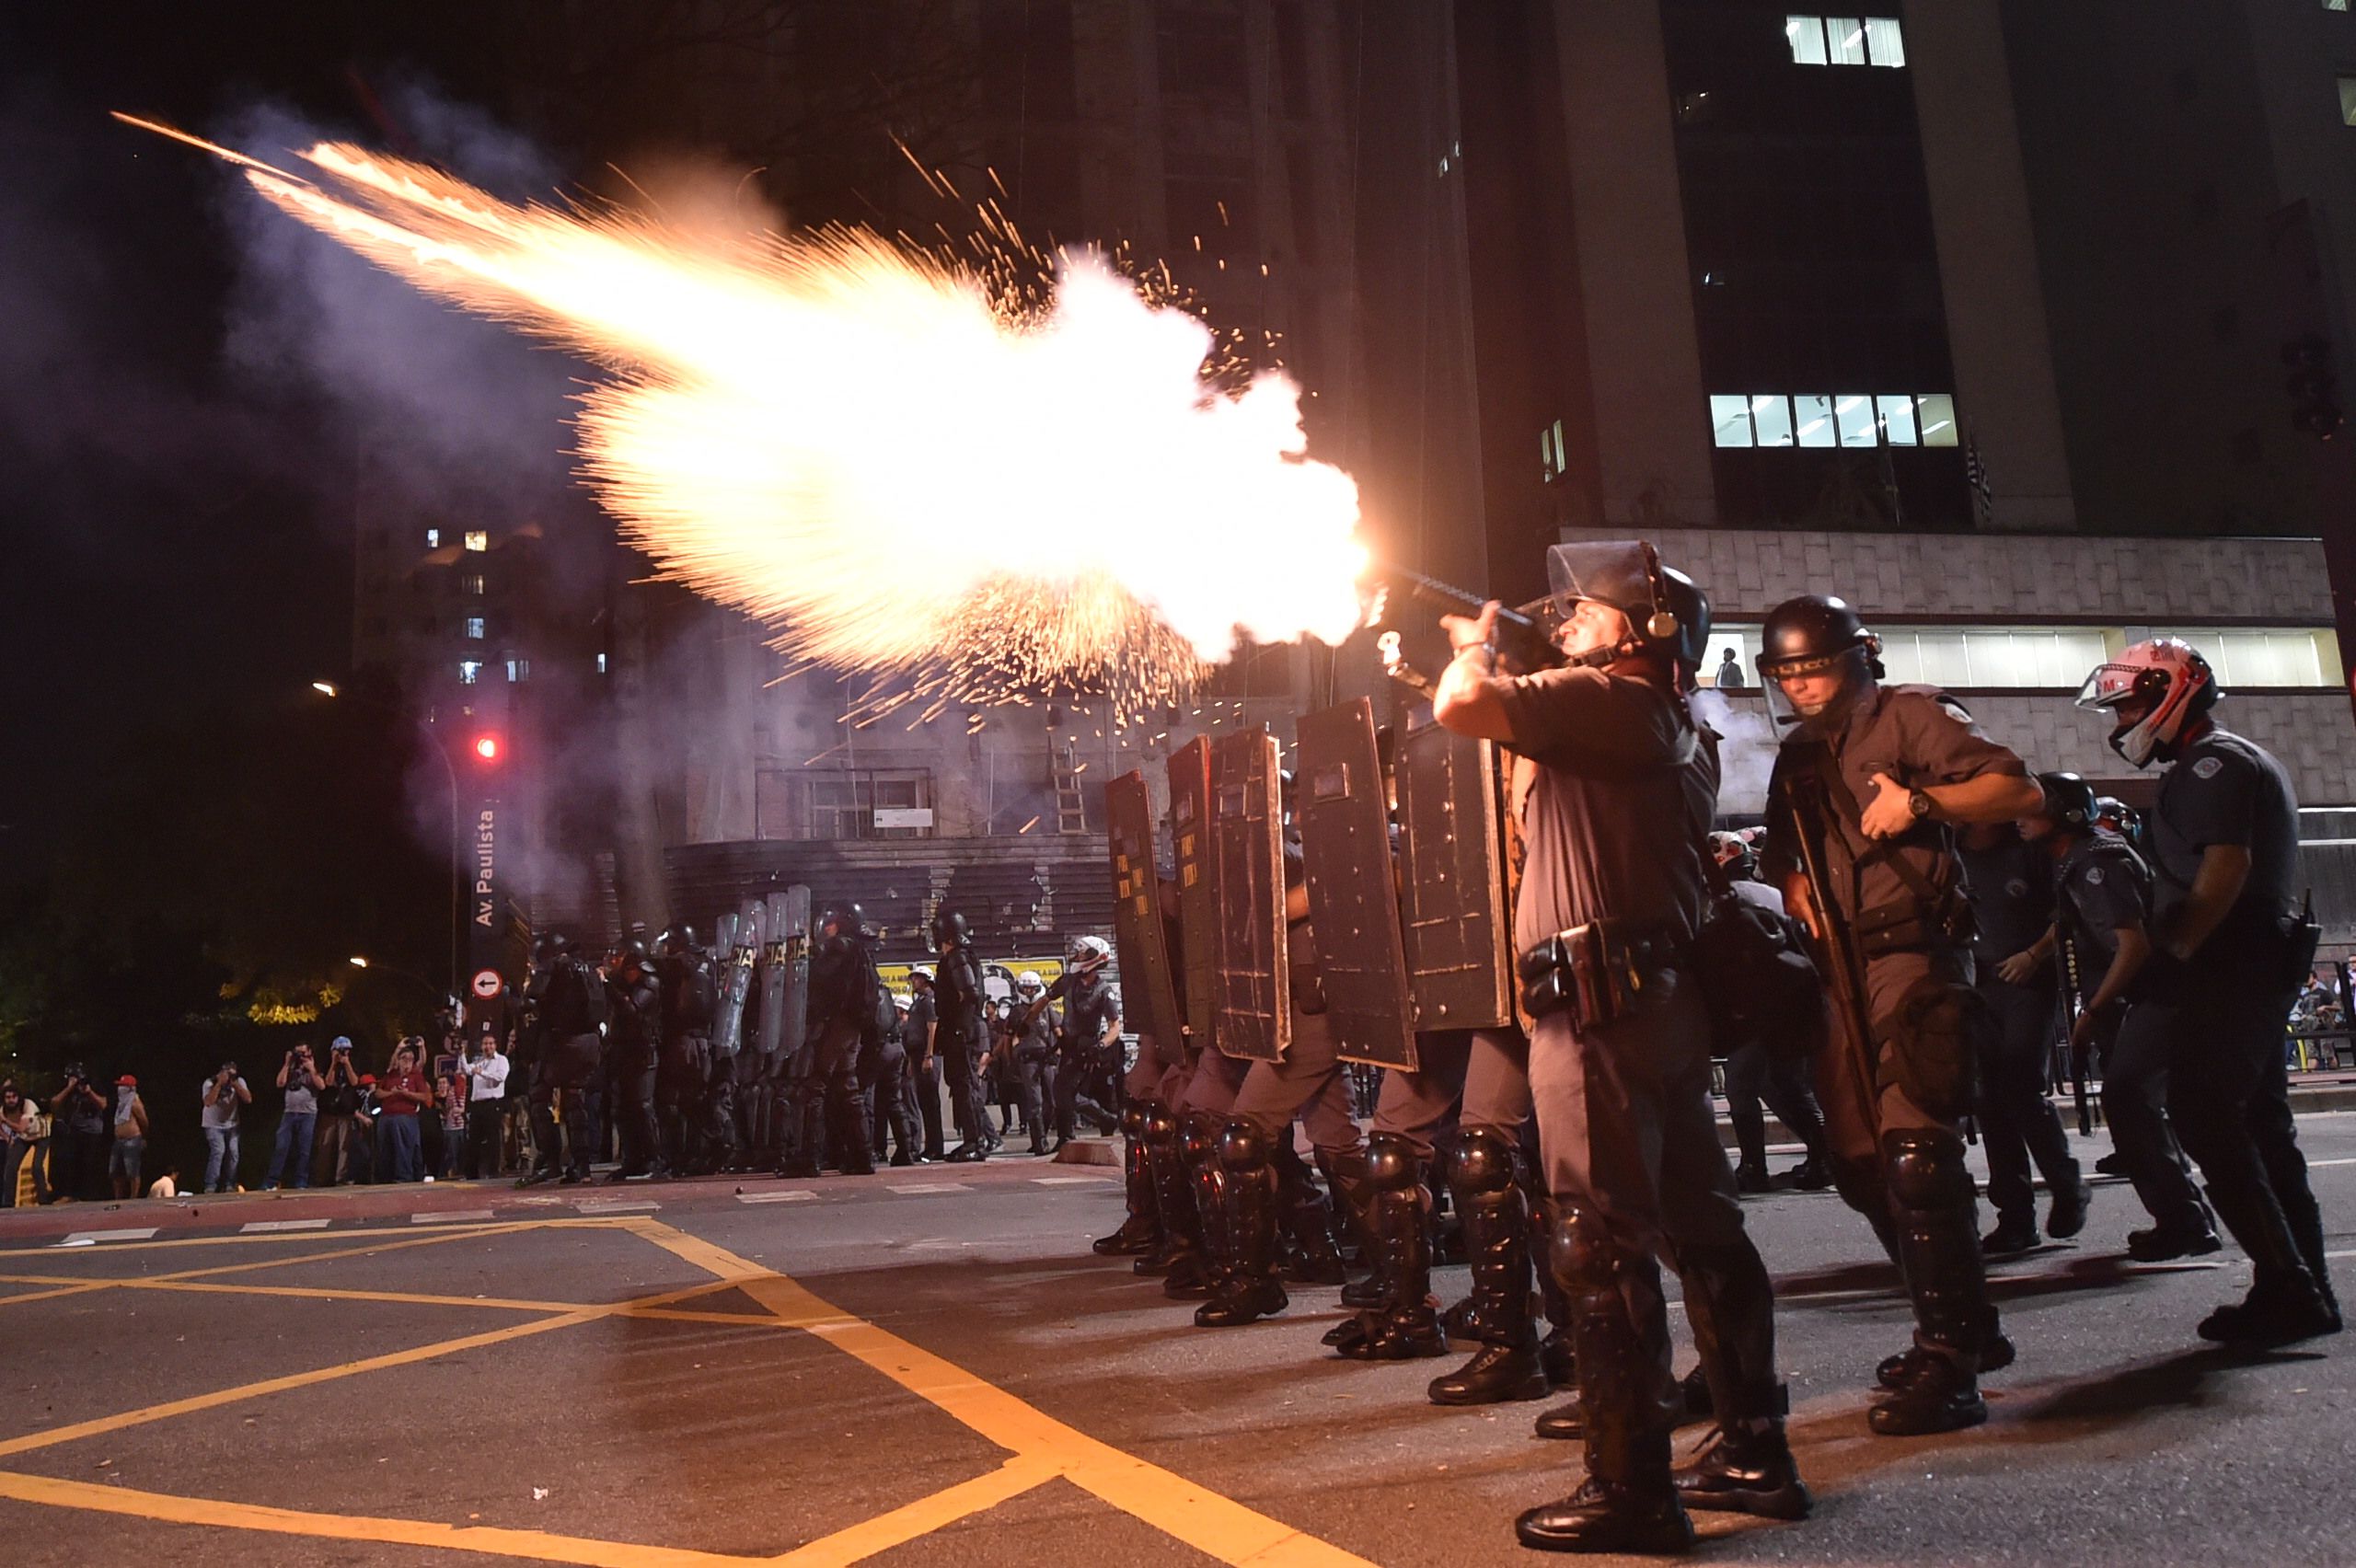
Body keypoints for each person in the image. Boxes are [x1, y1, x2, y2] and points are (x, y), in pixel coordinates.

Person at [1438, 541, 1803, 1553]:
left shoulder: (1611, 701)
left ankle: (1632, 1486)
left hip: (1596, 1009)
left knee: (1598, 1245)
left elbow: (1459, 706)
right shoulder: (1663, 720)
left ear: (1644, 631)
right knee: (1701, 1229)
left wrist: (1477, 647)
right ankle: (1752, 1448)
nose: (1568, 623)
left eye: (1586, 613)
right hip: (1657, 1003)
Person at [1760, 594, 2047, 1438]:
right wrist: (1791, 884)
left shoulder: (1910, 715)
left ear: (1857, 657)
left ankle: (1951, 1351)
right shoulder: (1798, 755)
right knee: (1857, 1162)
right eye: (1788, 673)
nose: (1803, 685)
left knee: (1918, 1152)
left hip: (1914, 953)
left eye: (1816, 667)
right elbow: (1784, 850)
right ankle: (1959, 1317)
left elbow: (2014, 788)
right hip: (1838, 967)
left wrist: (1922, 807)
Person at [2076, 639, 2339, 1341]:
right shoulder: (2222, 760)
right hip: (2251, 964)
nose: (2124, 717)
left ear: (2171, 689)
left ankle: (2291, 1286)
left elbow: (2227, 864)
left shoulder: (2212, 763)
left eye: (2130, 700)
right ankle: (2301, 1286)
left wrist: (2180, 948)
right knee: (2260, 1129)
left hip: (2232, 967)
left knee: (2204, 1114)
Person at [2021, 770, 2214, 1259]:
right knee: (2137, 1106)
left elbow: (2132, 946)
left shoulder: (2097, 862)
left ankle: (2186, 1220)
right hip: (2130, 1000)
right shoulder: (2075, 860)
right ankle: (2184, 1217)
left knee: (2131, 1100)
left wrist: (2095, 1010)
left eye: (2032, 808)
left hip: (2146, 996)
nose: (2021, 818)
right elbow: (2071, 923)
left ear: (2063, 813)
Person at [1956, 814, 2087, 1256]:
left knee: (2022, 1086)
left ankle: (2066, 1186)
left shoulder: (2028, 848)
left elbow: (2068, 908)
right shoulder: (1948, 850)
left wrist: (2034, 955)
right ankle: (2015, 1217)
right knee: (1989, 1100)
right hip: (1976, 983)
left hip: (2027, 979)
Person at [1707, 833, 1835, 1194]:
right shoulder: (1769, 894)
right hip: (1789, 1003)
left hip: (1761, 1007)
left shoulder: (1736, 898)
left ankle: (1755, 1167)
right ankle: (1824, 1155)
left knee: (1742, 1085)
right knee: (1782, 1085)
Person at [795, 905, 880, 1177]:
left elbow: (819, 980)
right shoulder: (860, 949)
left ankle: (808, 1158)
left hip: (838, 1023)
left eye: (831, 923)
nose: (826, 928)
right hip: (853, 1026)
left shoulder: (840, 947)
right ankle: (862, 1156)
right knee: (848, 1087)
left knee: (815, 1085)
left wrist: (809, 957)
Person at [524, 933, 606, 1186]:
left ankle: (551, 1162)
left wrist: (513, 998)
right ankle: (582, 1165)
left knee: (539, 1097)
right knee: (574, 1101)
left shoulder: (554, 967)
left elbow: (532, 1000)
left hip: (564, 1043)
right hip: (590, 1043)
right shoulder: (587, 969)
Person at [931, 909, 997, 1164]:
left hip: (961, 1032)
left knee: (965, 1086)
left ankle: (975, 1141)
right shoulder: (960, 955)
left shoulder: (957, 956)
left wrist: (959, 1025)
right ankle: (973, 1139)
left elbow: (968, 991)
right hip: (958, 1031)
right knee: (960, 1085)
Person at [603, 941, 662, 1181]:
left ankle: (653, 1159)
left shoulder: (649, 983)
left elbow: (632, 1009)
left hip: (642, 1053)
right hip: (622, 1053)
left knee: (642, 1107)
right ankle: (632, 1159)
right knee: (622, 1110)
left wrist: (608, 987)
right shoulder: (621, 984)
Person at [264, 1043, 325, 1191]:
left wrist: (311, 1068)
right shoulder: (291, 1069)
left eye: (303, 1053)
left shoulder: (314, 1068)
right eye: (298, 1053)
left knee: (304, 1149)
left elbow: (321, 1086)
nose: (301, 1057)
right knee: (281, 1146)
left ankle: (301, 1181)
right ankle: (272, 1181)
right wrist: (287, 1064)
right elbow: (280, 1083)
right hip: (289, 1113)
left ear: (310, 1052)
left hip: (308, 1114)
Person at [372, 1042, 432, 1183]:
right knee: (385, 1148)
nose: (407, 1062)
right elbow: (378, 1093)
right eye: (404, 1058)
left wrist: (407, 1094)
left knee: (403, 1148)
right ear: (398, 1060)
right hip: (386, 1116)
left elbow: (425, 1096)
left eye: (410, 1059)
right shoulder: (390, 1075)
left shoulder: (416, 1076)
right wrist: (391, 1093)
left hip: (405, 1117)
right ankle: (384, 1178)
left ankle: (403, 1177)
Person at [905, 967, 945, 1162]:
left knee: (930, 1102)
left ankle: (935, 1147)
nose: (914, 981)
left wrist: (928, 1055)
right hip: (917, 1055)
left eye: (917, 978)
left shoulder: (929, 1001)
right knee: (924, 1102)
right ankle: (930, 1146)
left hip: (927, 1055)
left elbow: (932, 1028)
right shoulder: (917, 1002)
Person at [49, 1065, 107, 1202]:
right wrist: (69, 1087)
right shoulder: (70, 1091)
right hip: (74, 1130)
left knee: (88, 1164)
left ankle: (87, 1195)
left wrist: (89, 1092)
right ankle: (69, 1194)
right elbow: (54, 1103)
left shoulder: (94, 1086)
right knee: (69, 1163)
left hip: (92, 1132)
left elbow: (103, 1105)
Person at [459, 1032, 510, 1178]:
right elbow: (467, 1070)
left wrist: (482, 1073)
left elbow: (499, 1078)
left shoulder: (501, 1060)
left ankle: (493, 1171)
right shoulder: (479, 1061)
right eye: (485, 1044)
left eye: (490, 1044)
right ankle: (471, 1173)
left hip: (492, 1103)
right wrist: (462, 1054)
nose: (487, 1047)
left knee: (493, 1138)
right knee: (474, 1138)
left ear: (495, 1046)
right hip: (477, 1105)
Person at [313, 1039, 362, 1185]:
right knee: (325, 1145)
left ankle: (341, 1178)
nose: (343, 1053)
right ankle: (322, 1179)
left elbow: (354, 1082)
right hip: (329, 1111)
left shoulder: (352, 1064)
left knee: (344, 1147)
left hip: (345, 1112)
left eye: (346, 1050)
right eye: (340, 1050)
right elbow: (327, 1082)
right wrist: (334, 1063)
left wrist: (347, 1064)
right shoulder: (326, 1064)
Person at [201, 1061, 251, 1193]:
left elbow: (248, 1099)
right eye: (228, 1074)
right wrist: (219, 1084)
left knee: (234, 1152)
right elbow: (208, 1102)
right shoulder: (209, 1083)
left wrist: (235, 1084)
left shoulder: (238, 1082)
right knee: (219, 1151)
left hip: (232, 1124)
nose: (230, 1078)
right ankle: (210, 1185)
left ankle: (230, 1183)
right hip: (213, 1124)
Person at [109, 1076, 149, 1200]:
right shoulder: (121, 1102)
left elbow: (144, 1121)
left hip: (131, 1139)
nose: (120, 1088)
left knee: (132, 1171)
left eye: (123, 1086)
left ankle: (133, 1197)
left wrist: (143, 1136)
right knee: (115, 1171)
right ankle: (118, 1197)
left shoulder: (135, 1102)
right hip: (119, 1140)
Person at [1, 1080, 40, 1207]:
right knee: (10, 1168)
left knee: (37, 1167)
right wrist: (7, 1137)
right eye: (7, 1097)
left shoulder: (27, 1105)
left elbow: (21, 1128)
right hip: (23, 1137)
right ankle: (8, 1202)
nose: (11, 1100)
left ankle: (44, 1199)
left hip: (40, 1135)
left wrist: (5, 1121)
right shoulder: (3, 1109)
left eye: (13, 1097)